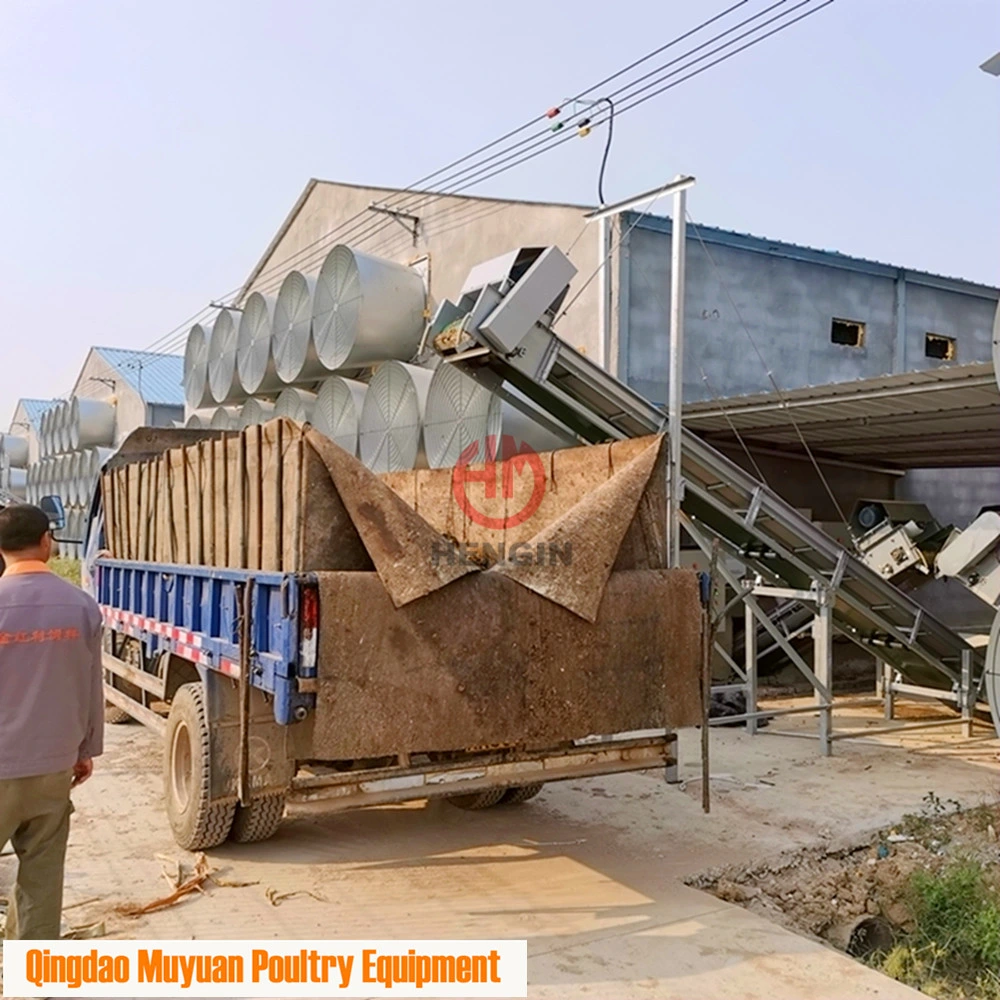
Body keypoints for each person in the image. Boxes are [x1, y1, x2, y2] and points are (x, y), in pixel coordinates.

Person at [0, 504, 103, 940]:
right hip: (51, 768)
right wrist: (85, 752)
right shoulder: (80, 605)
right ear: (46, 542)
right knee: (42, 881)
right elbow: (91, 684)